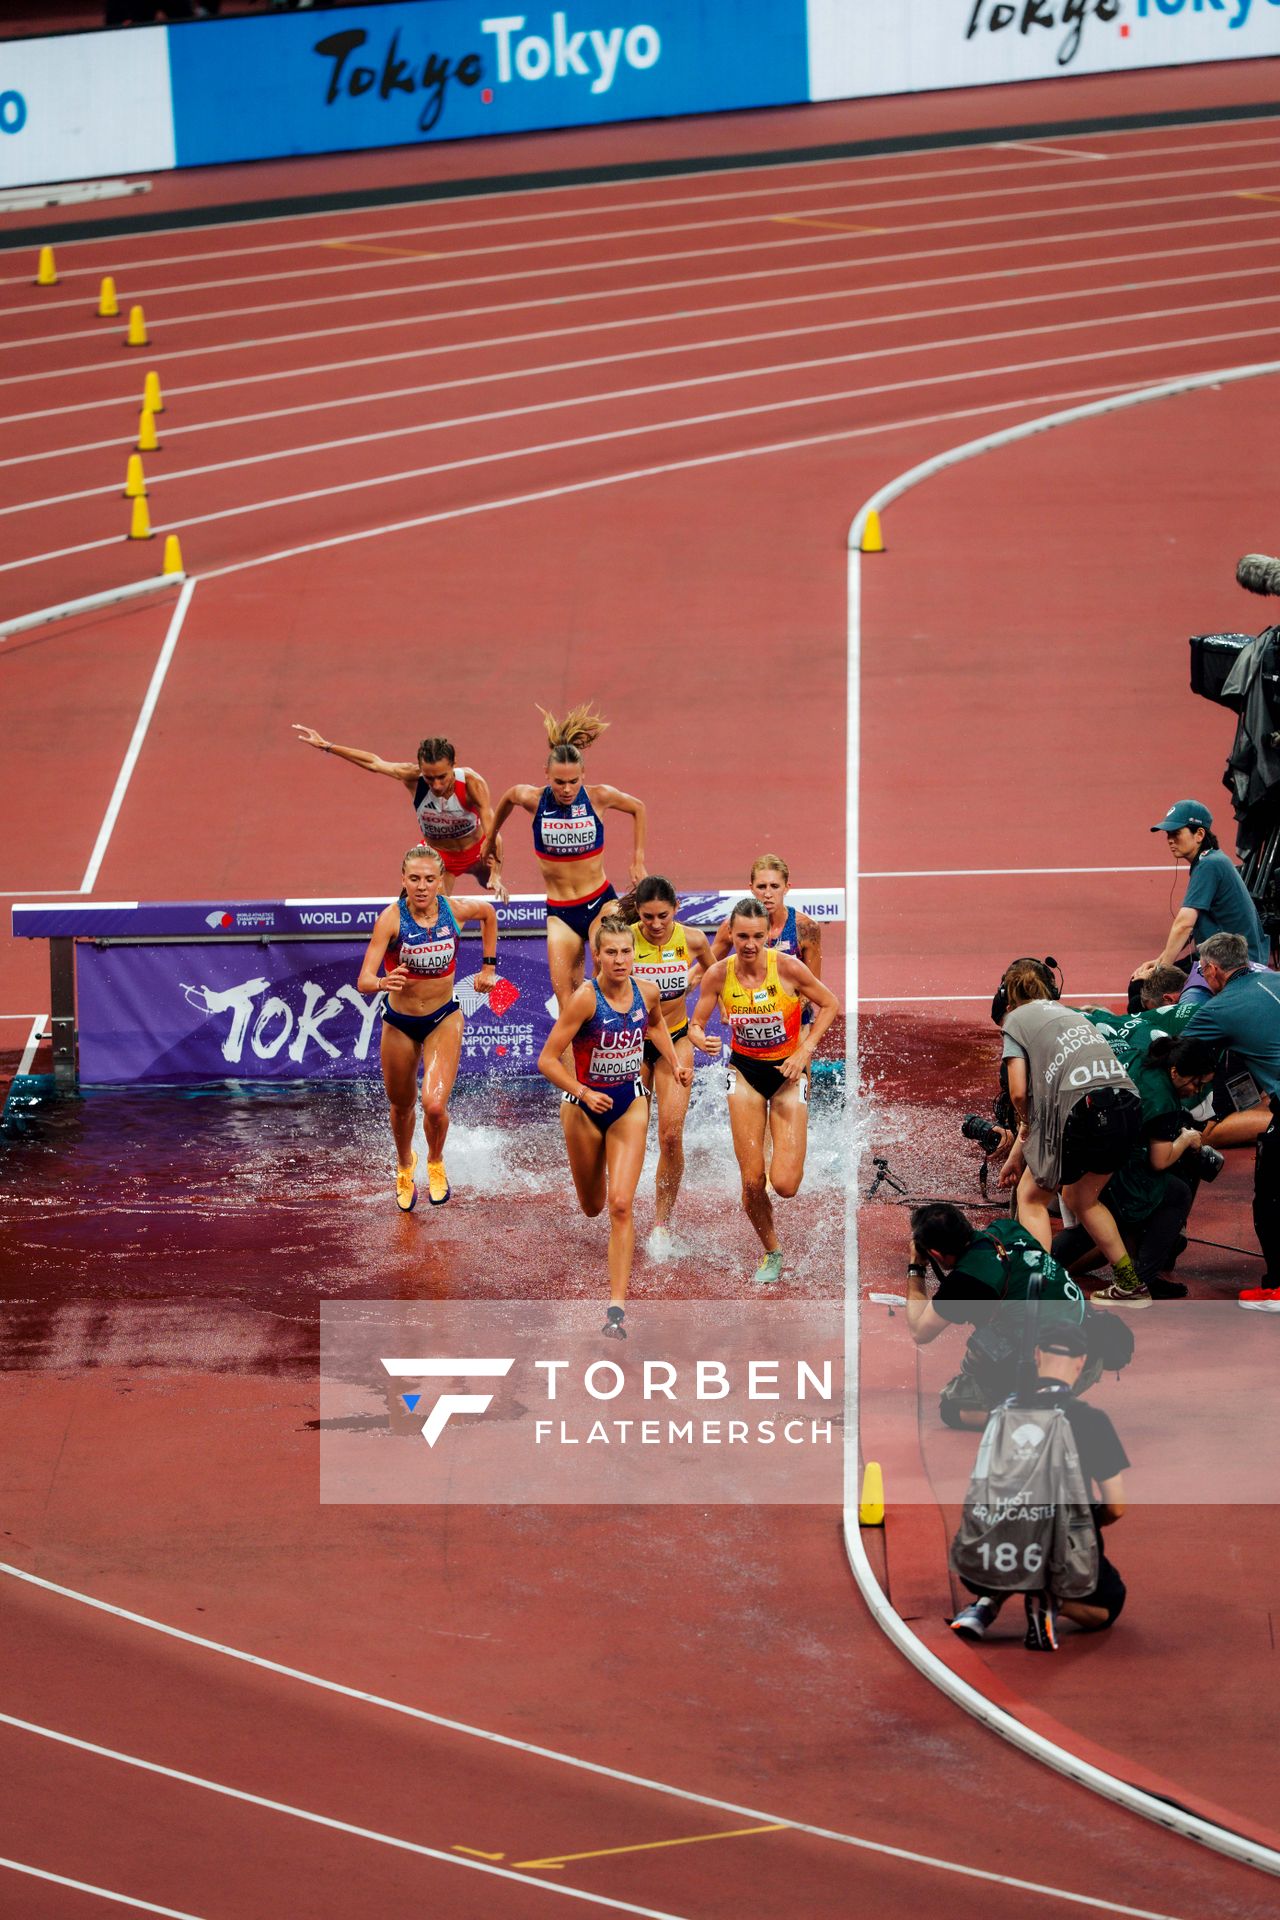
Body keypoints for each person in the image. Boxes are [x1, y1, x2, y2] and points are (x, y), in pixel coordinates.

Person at [538, 915, 690, 1338]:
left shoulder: (647, 991)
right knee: (594, 1206)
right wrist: (583, 1092)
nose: (621, 959)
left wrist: (675, 1063)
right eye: (612, 953)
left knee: (622, 1205)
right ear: (598, 957)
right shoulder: (585, 1000)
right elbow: (547, 1060)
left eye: (627, 952)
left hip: (629, 1104)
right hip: (582, 1109)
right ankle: (594, 1194)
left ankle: (616, 1309)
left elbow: (656, 1024)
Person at [949, 1321, 1129, 1650]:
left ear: (1036, 1355)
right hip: (1064, 1554)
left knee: (1018, 1532)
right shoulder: (1092, 1421)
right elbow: (1116, 1506)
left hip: (995, 1552)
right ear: (1082, 1363)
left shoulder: (1002, 1413)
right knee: (1110, 1604)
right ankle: (1050, 1597)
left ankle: (987, 1602)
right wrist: (1088, 1523)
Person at [688, 897, 838, 1283]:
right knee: (752, 1181)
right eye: (742, 936)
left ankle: (782, 1148)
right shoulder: (719, 975)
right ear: (732, 934)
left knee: (785, 1184)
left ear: (767, 936)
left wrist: (805, 1049)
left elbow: (830, 1003)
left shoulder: (788, 967)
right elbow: (696, 1024)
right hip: (745, 1073)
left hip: (788, 1075)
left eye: (757, 936)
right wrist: (700, 1038)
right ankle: (772, 1250)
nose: (750, 944)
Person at [995, 962, 1147, 1308]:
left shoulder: (1015, 1021)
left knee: (1031, 1197)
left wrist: (1027, 1127)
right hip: (1125, 1103)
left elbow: (1019, 1094)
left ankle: (1037, 1287)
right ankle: (1129, 1284)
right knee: (1082, 1198)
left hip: (1085, 1109)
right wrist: (1020, 1151)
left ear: (1009, 996)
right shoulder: (1070, 1015)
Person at [356, 845, 498, 1211]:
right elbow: (364, 979)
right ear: (403, 880)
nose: (422, 886)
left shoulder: (454, 910)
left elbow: (489, 913)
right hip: (400, 1023)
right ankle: (406, 1165)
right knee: (401, 1105)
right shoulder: (390, 919)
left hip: (442, 1018)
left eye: (429, 879)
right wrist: (382, 983)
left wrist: (488, 968)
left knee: (434, 1106)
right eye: (414, 879)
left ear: (439, 882)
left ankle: (435, 1161)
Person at [481, 703, 646, 1016]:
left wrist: (637, 859)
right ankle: (574, 1067)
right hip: (560, 912)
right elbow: (508, 797)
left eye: (574, 781)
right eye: (559, 782)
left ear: (583, 774)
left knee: (606, 967)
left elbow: (638, 807)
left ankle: (618, 1050)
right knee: (565, 997)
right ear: (547, 774)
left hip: (601, 901)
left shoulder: (599, 796)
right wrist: (489, 840)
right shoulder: (533, 799)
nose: (567, 789)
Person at [1050, 1032, 1219, 1302]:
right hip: (1114, 1161)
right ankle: (1139, 1281)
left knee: (1103, 1215)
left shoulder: (1141, 1059)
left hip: (1083, 1141)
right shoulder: (1163, 1099)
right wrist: (1186, 1138)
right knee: (1174, 1194)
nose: (1196, 1091)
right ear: (1175, 1071)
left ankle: (1044, 1264)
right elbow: (1159, 1159)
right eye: (1197, 1083)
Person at [905, 1203, 1089, 1430]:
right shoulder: (1006, 1228)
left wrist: (915, 1267)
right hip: (1088, 1342)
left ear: (934, 1253)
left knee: (953, 1408)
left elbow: (919, 1331)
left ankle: (1031, 1415)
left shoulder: (968, 1280)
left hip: (1055, 1365)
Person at [292, 726, 507, 900]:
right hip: (439, 856)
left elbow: (491, 827)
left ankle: (487, 877)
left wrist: (496, 875)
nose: (437, 785)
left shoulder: (472, 783)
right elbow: (374, 763)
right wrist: (328, 746)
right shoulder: (412, 776)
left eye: (442, 776)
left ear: (454, 765)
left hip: (476, 851)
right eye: (429, 778)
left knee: (489, 875)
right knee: (431, 911)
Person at [623, 877, 719, 1257]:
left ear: (676, 908)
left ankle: (661, 1223)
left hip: (676, 1042)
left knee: (670, 1137)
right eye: (648, 917)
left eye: (663, 916)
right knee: (631, 1135)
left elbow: (716, 977)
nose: (656, 925)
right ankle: (623, 1211)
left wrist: (704, 1022)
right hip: (632, 1047)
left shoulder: (693, 939)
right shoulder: (625, 940)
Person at [1187, 931, 1280, 1306]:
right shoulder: (1275, 978)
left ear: (1211, 970)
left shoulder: (1218, 1009)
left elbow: (1179, 1054)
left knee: (1271, 1199)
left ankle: (1276, 1289)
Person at [1147, 798, 1268, 995]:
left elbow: (1184, 924)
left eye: (1176, 833)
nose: (1170, 839)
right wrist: (1160, 960)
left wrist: (1161, 973)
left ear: (1199, 834)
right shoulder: (1210, 860)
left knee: (1144, 992)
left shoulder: (1208, 865)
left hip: (1234, 966)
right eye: (1168, 834)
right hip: (1224, 957)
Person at [709, 853, 824, 980]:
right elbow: (703, 971)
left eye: (774, 886)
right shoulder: (732, 926)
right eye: (761, 887)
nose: (768, 894)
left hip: (791, 999)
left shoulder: (806, 928)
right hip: (744, 998)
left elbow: (814, 989)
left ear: (786, 888)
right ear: (751, 888)